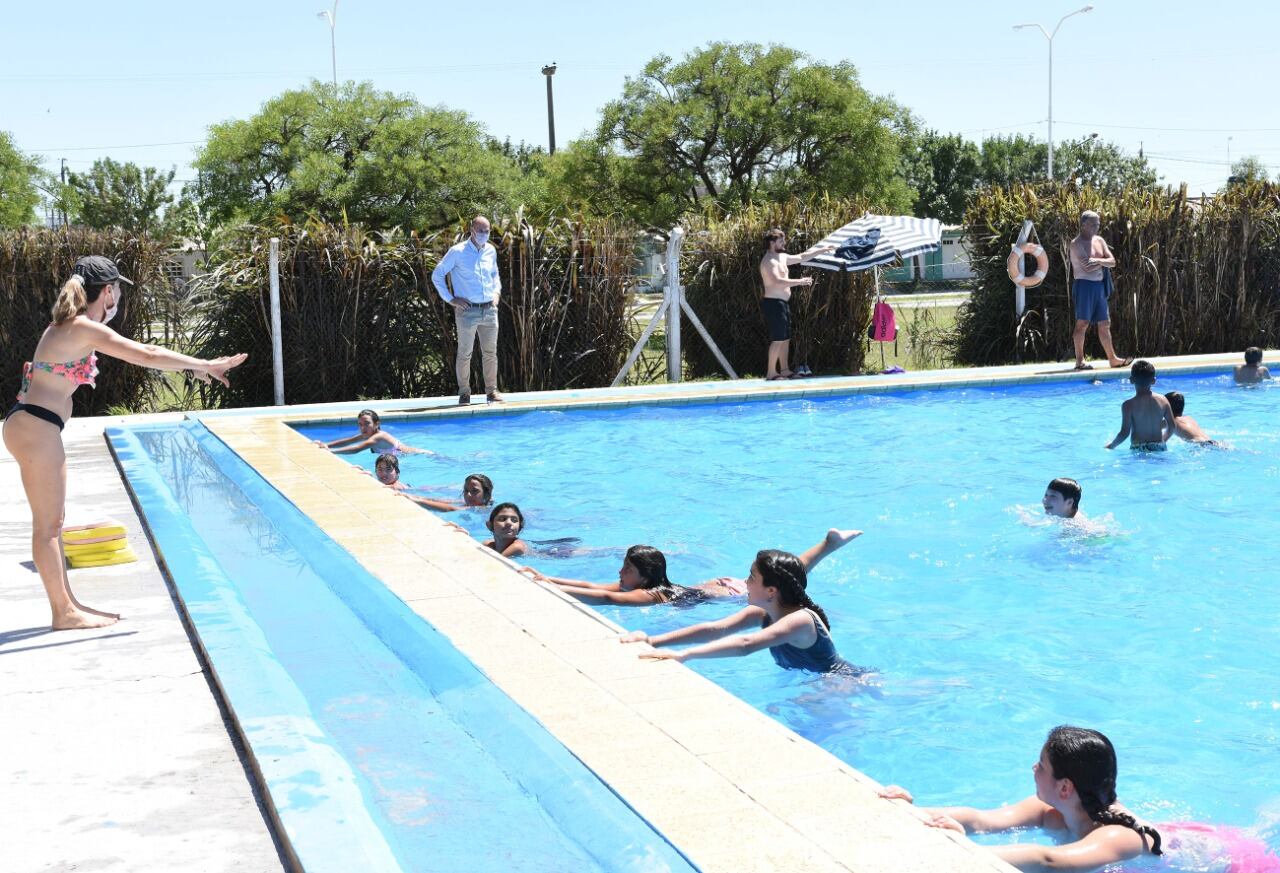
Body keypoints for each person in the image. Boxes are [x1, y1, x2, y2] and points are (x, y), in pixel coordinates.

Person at [3, 256, 246, 630]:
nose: (117, 296)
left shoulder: (69, 326)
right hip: (36, 429)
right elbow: (146, 354)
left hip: (35, 427)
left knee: (54, 523)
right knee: (49, 527)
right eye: (116, 288)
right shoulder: (82, 327)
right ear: (106, 292)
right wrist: (202, 363)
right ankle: (63, 613)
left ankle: (68, 605)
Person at [879, 725, 1278, 873]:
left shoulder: (1117, 837)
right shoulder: (1053, 811)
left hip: (1235, 863)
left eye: (1040, 766)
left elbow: (1051, 861)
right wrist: (916, 810)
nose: (1033, 771)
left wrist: (958, 851)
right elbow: (982, 819)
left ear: (1065, 786)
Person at [619, 548, 861, 675]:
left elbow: (746, 644)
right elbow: (714, 629)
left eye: (752, 577)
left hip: (838, 683)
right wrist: (652, 640)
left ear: (771, 591)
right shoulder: (762, 612)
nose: (745, 583)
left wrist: (685, 655)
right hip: (812, 681)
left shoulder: (799, 620)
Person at [524, 528, 862, 606]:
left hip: (727, 593)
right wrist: (544, 579)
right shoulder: (646, 585)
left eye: (626, 569)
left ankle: (827, 545)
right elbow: (593, 586)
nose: (618, 575)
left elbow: (607, 600)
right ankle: (828, 544)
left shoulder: (653, 596)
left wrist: (545, 588)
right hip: (718, 584)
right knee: (784, 572)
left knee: (787, 576)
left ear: (644, 576)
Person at [432, 216, 502, 405]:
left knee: (490, 353)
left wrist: (496, 293)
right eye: (481, 231)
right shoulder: (457, 251)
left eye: (487, 231)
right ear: (471, 230)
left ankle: (492, 392)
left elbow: (495, 274)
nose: (484, 235)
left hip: (489, 309)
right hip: (467, 311)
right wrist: (451, 299)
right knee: (465, 353)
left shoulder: (490, 250)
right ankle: (464, 392)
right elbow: (437, 275)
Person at [759, 228, 836, 381]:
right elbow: (777, 282)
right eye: (781, 241)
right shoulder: (769, 261)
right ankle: (771, 373)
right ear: (772, 243)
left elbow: (801, 257)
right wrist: (800, 281)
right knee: (778, 339)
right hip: (773, 304)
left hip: (782, 303)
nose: (784, 243)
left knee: (785, 338)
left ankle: (785, 369)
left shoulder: (781, 257)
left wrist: (823, 249)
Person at [1069, 211, 1132, 371]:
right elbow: (1086, 267)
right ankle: (1080, 361)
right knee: (1082, 324)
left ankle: (1113, 359)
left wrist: (1097, 260)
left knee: (1104, 323)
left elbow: (1112, 262)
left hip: (1099, 286)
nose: (1097, 227)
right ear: (1083, 225)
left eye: (1098, 224)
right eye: (1093, 224)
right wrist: (1103, 262)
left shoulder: (1099, 241)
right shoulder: (1076, 244)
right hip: (1084, 286)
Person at [1105, 360, 1177, 451]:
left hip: (1139, 449)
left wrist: (1111, 446)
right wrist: (1164, 440)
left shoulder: (1128, 405)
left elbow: (1124, 433)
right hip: (1160, 447)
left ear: (1131, 380)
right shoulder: (1163, 400)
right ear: (1154, 381)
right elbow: (1172, 426)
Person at [315, 409, 428, 455]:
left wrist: (330, 451)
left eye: (367, 423)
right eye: (360, 424)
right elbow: (349, 441)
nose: (363, 427)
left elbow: (356, 449)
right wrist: (326, 444)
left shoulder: (378, 436)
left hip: (421, 455)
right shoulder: (368, 434)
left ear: (376, 424)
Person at [404, 473, 493, 512]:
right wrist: (411, 496)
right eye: (466, 490)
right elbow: (439, 501)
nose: (468, 495)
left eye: (475, 491)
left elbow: (449, 509)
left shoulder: (482, 509)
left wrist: (417, 501)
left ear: (486, 493)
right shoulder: (467, 504)